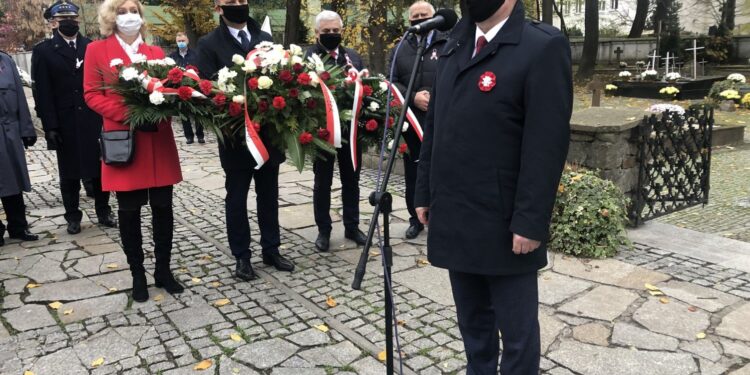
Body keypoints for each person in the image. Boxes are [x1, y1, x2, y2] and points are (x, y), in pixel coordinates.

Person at [414, 0, 572, 372]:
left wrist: (530, 221)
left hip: (505, 223)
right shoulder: (452, 45)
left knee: (517, 337)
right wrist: (424, 192)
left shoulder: (542, 46)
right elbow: (435, 128)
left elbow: (545, 145)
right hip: (455, 214)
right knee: (473, 328)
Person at [83, 0, 184, 302]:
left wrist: (165, 104)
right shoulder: (96, 51)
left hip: (158, 140)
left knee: (163, 208)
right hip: (123, 141)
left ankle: (163, 271)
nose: (130, 17)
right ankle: (137, 274)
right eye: (122, 11)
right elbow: (92, 94)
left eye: (134, 11)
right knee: (129, 211)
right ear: (111, 17)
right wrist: (133, 112)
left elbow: (168, 89)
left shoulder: (155, 53)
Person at [196, 0, 294, 280]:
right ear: (218, 7)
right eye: (231, 2)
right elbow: (205, 87)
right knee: (237, 198)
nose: (238, 5)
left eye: (241, 0)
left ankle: (271, 249)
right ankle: (242, 256)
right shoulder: (209, 43)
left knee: (269, 195)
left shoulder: (264, 39)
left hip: (268, 136)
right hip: (235, 135)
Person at [32, 0, 117, 236]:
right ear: (54, 23)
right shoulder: (43, 51)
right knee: (68, 173)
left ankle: (103, 210)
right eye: (63, 20)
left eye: (72, 19)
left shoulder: (91, 46)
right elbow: (43, 92)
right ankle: (73, 216)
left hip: (92, 118)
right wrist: (50, 125)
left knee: (98, 168)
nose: (69, 23)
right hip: (65, 121)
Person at [304, 10, 367, 252]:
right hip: (323, 132)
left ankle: (352, 225)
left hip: (350, 132)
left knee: (352, 179)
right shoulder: (308, 58)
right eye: (326, 32)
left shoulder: (353, 57)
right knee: (323, 182)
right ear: (316, 33)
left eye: (335, 31)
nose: (331, 35)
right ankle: (324, 229)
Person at [388, 1, 448, 240]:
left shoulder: (447, 43)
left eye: (425, 15)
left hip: (442, 118)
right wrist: (412, 97)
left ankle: (441, 219)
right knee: (413, 172)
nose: (420, 19)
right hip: (411, 120)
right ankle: (415, 219)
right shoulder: (400, 47)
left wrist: (435, 97)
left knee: (442, 171)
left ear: (434, 17)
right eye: (415, 16)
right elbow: (391, 81)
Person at [0, 52, 40, 247]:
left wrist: (26, 129)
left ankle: (18, 226)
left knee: (14, 181)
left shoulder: (5, 60)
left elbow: (19, 95)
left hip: (10, 132)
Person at [168, 31, 204, 144]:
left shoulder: (196, 54)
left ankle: (200, 135)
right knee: (183, 112)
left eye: (183, 41)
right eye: (179, 41)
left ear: (187, 41)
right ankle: (189, 136)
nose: (181, 43)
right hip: (179, 88)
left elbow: (201, 69)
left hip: (195, 86)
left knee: (198, 112)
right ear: (176, 42)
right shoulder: (172, 57)